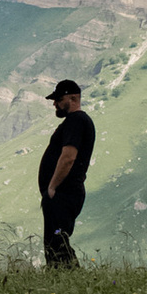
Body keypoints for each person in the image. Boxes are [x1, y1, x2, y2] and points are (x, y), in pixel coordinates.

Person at [38, 78, 95, 268]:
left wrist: (52, 187)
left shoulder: (76, 121)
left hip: (64, 192)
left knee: (56, 242)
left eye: (58, 99)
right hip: (65, 192)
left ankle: (65, 278)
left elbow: (68, 156)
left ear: (72, 98)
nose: (54, 103)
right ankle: (68, 280)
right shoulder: (75, 122)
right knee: (56, 240)